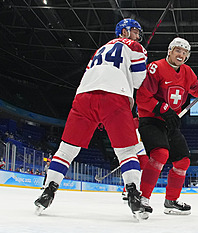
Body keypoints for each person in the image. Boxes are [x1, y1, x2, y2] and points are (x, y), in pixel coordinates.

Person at [34, 18, 148, 220]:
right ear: (124, 32)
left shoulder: (99, 50)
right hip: (115, 97)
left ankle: (48, 190)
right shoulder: (135, 46)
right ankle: (133, 194)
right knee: (127, 151)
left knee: (67, 148)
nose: (138, 36)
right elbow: (139, 80)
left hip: (84, 96)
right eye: (135, 31)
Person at [136, 37, 198, 216]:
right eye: (178, 50)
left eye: (185, 52)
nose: (181, 54)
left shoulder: (187, 72)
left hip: (170, 122)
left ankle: (171, 201)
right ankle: (142, 199)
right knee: (160, 154)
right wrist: (164, 109)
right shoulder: (156, 67)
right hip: (151, 119)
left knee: (183, 161)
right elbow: (142, 96)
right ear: (170, 51)